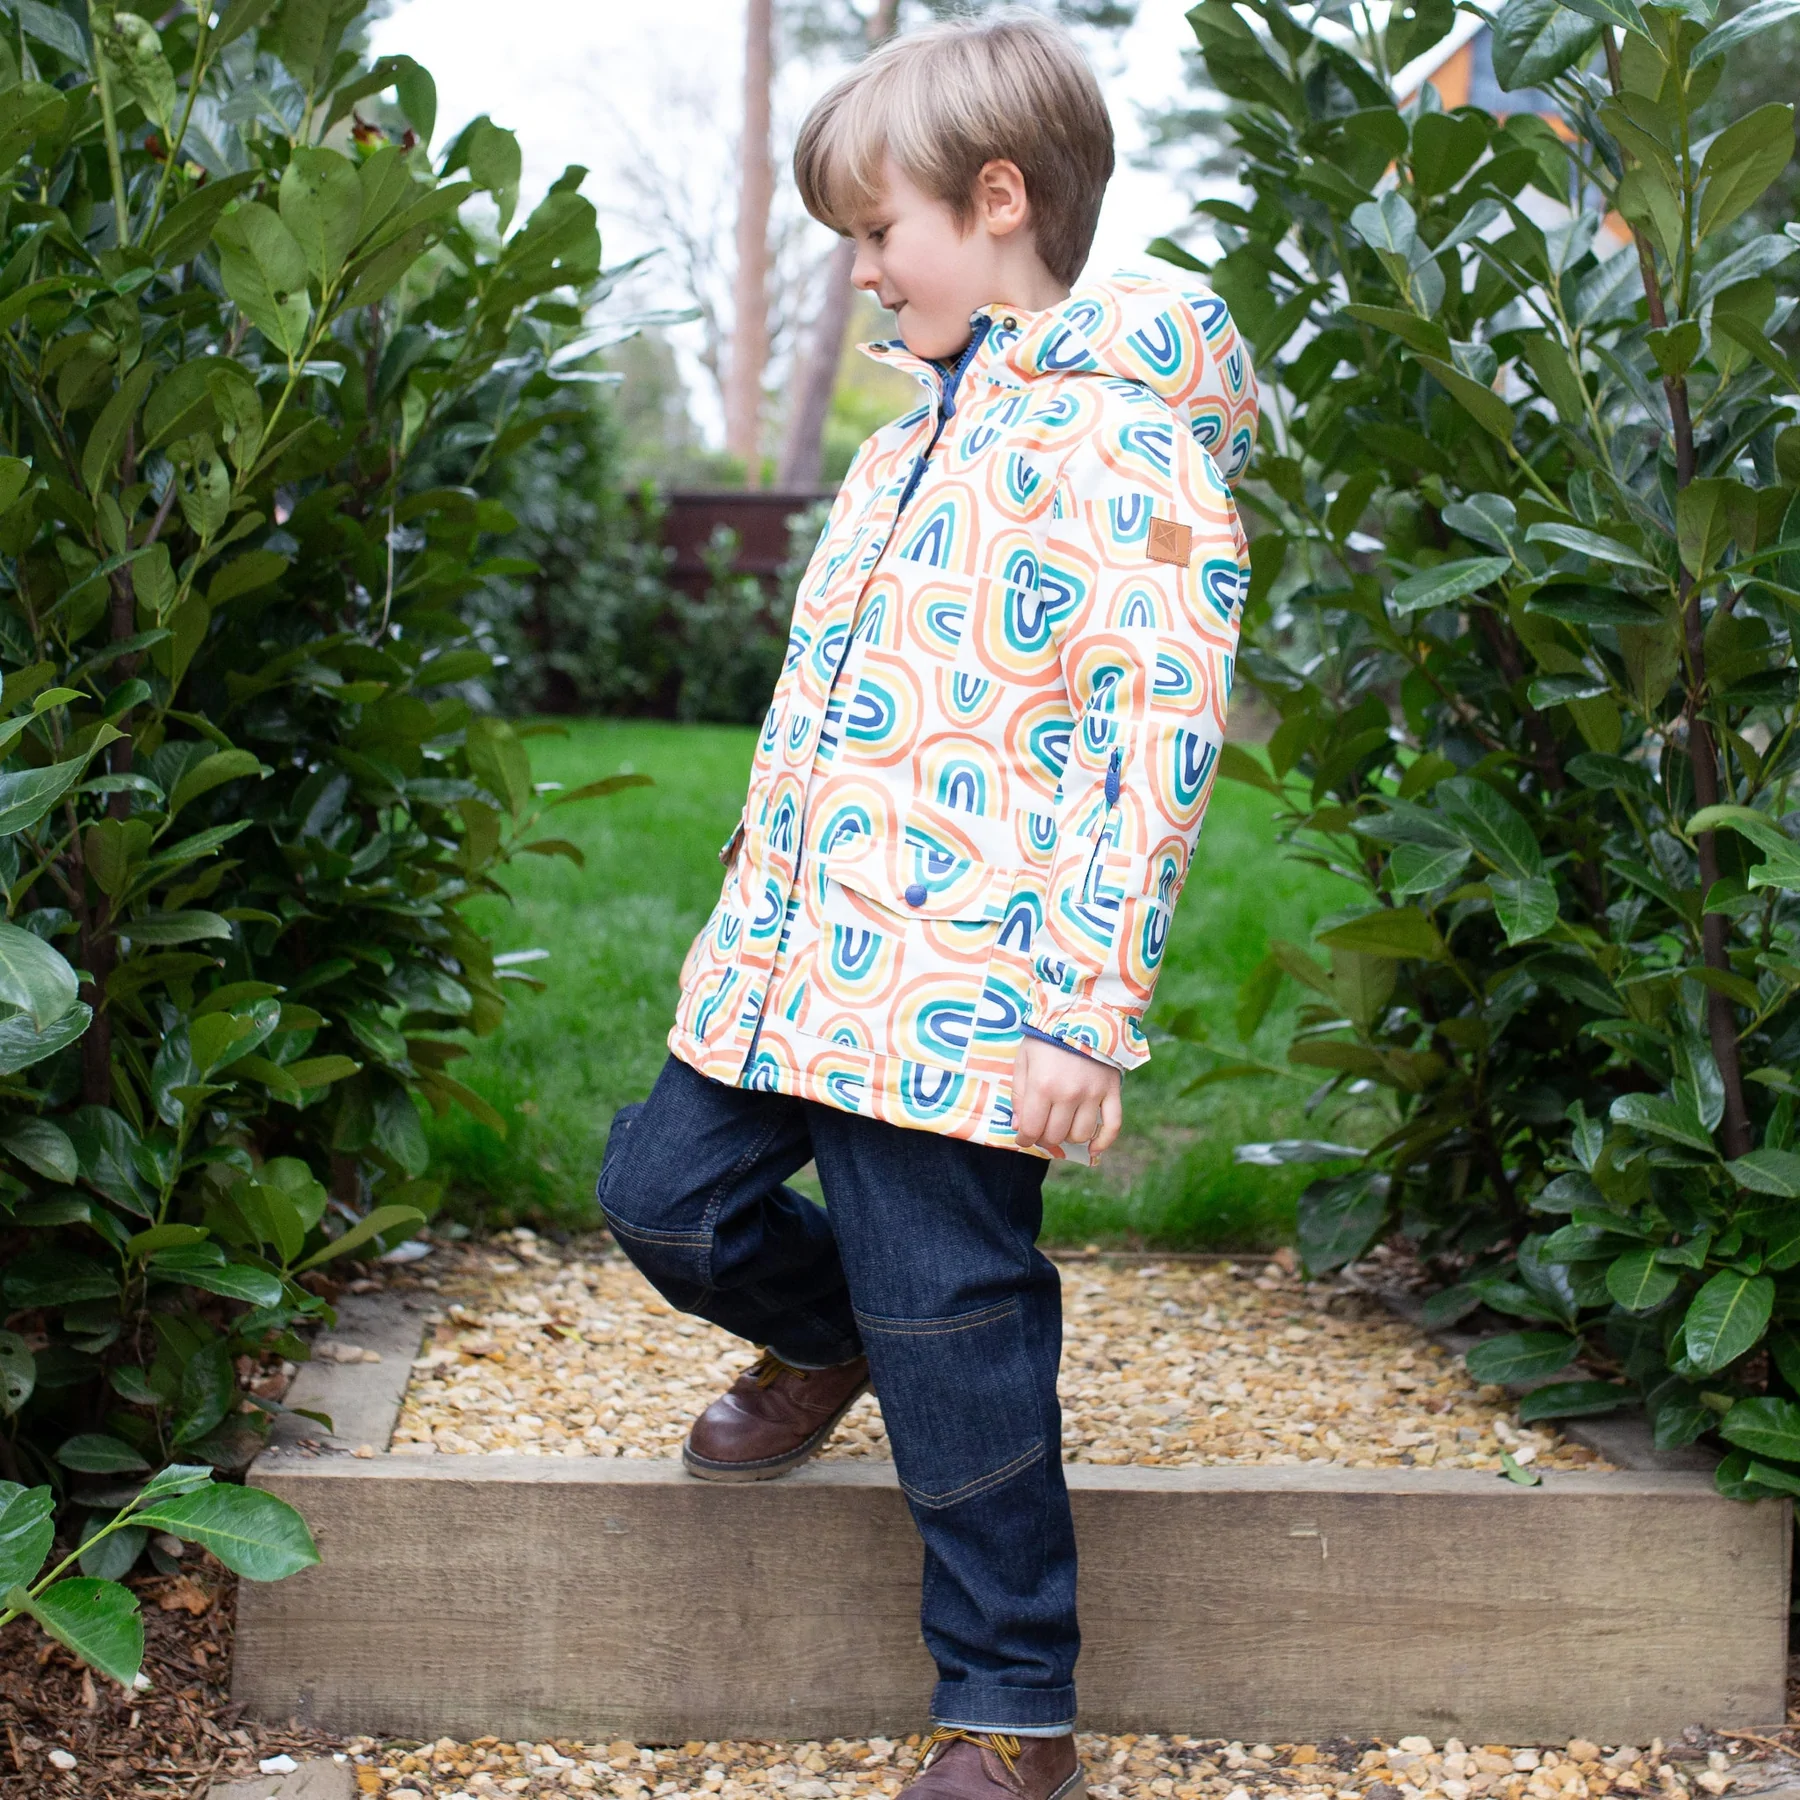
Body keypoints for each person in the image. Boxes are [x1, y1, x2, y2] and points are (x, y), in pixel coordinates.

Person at [597, 13, 1257, 1797]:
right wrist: (757, 887)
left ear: (997, 200)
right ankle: (829, 1336)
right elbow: (829, 699)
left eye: (880, 232)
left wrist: (1083, 1015)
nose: (867, 271)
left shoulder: (1128, 448)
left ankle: (1012, 1711)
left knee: (958, 1338)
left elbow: (1150, 746)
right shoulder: (909, 442)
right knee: (659, 1197)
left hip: (973, 996)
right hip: (798, 961)